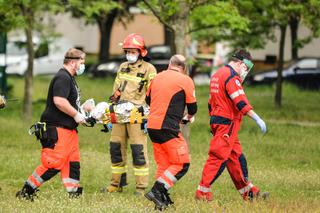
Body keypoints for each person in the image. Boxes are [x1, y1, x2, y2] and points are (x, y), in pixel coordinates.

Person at [195, 49, 268, 202]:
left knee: (236, 158)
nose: (245, 72)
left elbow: (211, 102)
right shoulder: (232, 77)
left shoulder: (217, 75)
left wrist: (214, 122)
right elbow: (240, 102)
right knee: (218, 158)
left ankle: (250, 193)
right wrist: (257, 118)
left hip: (219, 122)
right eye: (246, 69)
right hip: (227, 124)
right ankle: (202, 193)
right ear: (241, 64)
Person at [16, 48, 87, 200]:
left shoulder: (70, 78)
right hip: (57, 128)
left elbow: (70, 102)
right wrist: (76, 115)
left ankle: (74, 194)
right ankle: (27, 191)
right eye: (82, 61)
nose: (83, 64)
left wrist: (84, 111)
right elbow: (59, 101)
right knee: (53, 163)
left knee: (72, 163)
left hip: (69, 131)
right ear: (73, 62)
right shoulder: (63, 77)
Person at [104, 33, 157, 196]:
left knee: (138, 151)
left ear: (141, 52)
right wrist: (113, 104)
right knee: (116, 148)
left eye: (133, 51)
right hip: (119, 114)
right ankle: (116, 184)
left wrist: (150, 115)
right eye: (127, 51)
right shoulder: (122, 67)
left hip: (137, 116)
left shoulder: (149, 69)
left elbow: (153, 94)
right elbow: (116, 89)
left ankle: (140, 188)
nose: (129, 54)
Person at [144, 55, 197, 210]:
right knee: (182, 164)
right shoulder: (185, 80)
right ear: (183, 67)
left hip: (152, 127)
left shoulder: (157, 77)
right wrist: (187, 117)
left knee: (164, 164)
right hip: (168, 128)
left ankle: (161, 200)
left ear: (170, 64)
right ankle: (157, 191)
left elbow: (148, 100)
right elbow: (192, 108)